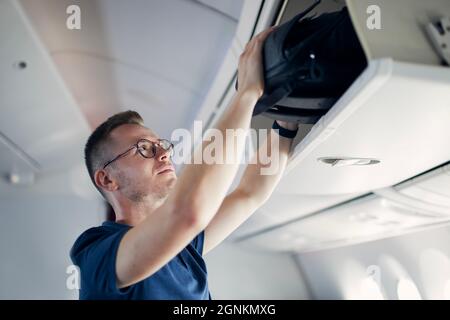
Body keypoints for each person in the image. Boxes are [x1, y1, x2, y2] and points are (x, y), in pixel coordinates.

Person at [70, 26, 299, 299]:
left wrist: (287, 120)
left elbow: (250, 193)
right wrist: (246, 93)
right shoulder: (95, 254)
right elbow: (187, 213)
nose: (163, 154)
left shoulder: (185, 245)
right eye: (144, 149)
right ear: (107, 179)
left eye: (161, 145)